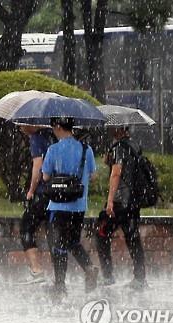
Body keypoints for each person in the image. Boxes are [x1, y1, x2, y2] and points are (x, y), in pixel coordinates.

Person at [42, 117, 98, 302]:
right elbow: (93, 175)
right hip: (78, 205)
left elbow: (45, 176)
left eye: (53, 127)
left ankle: (59, 286)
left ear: (58, 127)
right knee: (73, 241)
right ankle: (89, 267)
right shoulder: (86, 149)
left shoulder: (53, 149)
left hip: (58, 206)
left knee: (58, 245)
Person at [96, 126, 147, 290]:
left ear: (118, 129)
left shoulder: (118, 148)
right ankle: (140, 278)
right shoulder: (135, 146)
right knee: (133, 238)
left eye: (112, 127)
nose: (110, 129)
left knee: (101, 234)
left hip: (119, 202)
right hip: (133, 201)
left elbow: (116, 173)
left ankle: (108, 275)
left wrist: (110, 201)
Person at [18, 126, 54, 284]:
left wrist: (31, 190)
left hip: (42, 193)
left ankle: (37, 270)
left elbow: (38, 166)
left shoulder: (36, 138)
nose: (20, 127)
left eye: (22, 124)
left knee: (26, 228)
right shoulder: (53, 135)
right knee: (54, 232)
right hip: (57, 192)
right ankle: (60, 274)